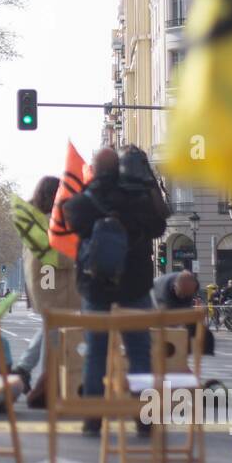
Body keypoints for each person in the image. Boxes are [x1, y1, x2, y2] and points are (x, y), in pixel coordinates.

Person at [64, 146, 167, 435]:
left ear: (95, 171)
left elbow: (70, 218)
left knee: (96, 352)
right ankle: (144, 417)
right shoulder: (137, 198)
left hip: (96, 287)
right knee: (139, 352)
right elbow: (159, 225)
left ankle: (93, 417)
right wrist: (147, 184)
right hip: (135, 286)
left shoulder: (86, 201)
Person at [16, 175, 81, 407]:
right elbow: (59, 258)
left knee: (50, 328)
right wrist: (79, 252)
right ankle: (47, 387)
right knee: (54, 335)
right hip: (54, 286)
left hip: (45, 283)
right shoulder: (50, 224)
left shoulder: (34, 219)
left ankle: (24, 369)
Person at [152, 269, 214, 355]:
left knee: (190, 325)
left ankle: (195, 350)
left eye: (187, 294)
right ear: (175, 287)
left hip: (176, 293)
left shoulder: (192, 284)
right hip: (154, 295)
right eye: (182, 294)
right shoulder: (164, 291)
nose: (184, 297)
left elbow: (186, 308)